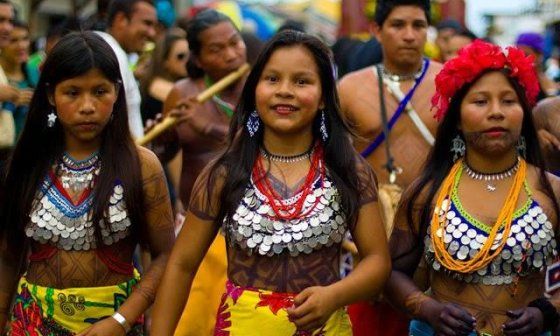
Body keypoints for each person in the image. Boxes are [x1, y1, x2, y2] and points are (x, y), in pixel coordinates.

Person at [150, 29, 390, 336]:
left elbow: (377, 262)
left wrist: (334, 295)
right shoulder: (224, 172)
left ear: (322, 98)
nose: (284, 91)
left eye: (302, 81)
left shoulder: (348, 170)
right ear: (254, 90)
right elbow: (181, 264)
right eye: (272, 79)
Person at [0, 31, 175, 335]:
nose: (87, 106)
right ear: (51, 95)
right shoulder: (28, 164)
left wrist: (122, 320)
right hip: (33, 323)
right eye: (72, 92)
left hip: (116, 322)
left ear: (117, 92)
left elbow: (164, 255)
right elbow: (7, 256)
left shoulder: (141, 166)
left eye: (99, 91)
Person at [386, 39, 560, 336]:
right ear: (456, 119)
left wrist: (546, 312)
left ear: (523, 111)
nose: (496, 112)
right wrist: (429, 309)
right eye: (480, 102)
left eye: (508, 101)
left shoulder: (552, 190)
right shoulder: (427, 193)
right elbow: (390, 273)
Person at [337, 0, 442, 334]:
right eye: (398, 25)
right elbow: (332, 161)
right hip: (367, 230)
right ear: (376, 30)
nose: (409, 35)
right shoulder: (350, 88)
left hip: (436, 227)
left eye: (418, 25)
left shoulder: (450, 83)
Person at [152, 9, 248, 336]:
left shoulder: (260, 88)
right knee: (192, 322)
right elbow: (166, 154)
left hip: (246, 229)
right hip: (197, 227)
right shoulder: (182, 92)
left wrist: (204, 125)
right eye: (217, 50)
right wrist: (163, 137)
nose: (232, 54)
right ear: (199, 58)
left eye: (234, 43)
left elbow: (258, 142)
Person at [96, 0, 157, 139]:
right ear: (121, 19)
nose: (152, 33)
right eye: (147, 23)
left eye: (154, 26)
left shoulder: (108, 50)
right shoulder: (112, 54)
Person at [139, 28, 188, 125]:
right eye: (181, 56)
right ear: (165, 61)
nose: (187, 60)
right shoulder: (158, 85)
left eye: (190, 55)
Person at [0, 20, 35, 139]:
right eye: (13, 40)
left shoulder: (35, 74)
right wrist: (9, 103)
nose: (21, 46)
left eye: (25, 39)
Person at [516, 32, 558, 101]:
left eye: (526, 55)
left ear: (539, 55)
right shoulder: (514, 78)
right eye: (517, 55)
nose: (521, 59)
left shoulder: (544, 79)